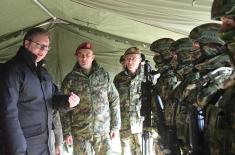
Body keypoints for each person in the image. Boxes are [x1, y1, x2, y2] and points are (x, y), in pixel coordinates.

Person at [0, 27, 80, 155]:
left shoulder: (43, 72)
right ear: (27, 43)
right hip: (25, 145)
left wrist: (67, 101)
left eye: (46, 47)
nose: (43, 50)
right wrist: (17, 150)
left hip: (45, 143)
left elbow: (52, 99)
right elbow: (7, 113)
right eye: (39, 45)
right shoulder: (13, 70)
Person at [61, 41, 121, 155]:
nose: (84, 58)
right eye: (81, 55)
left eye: (88, 55)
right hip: (80, 132)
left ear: (93, 57)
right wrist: (66, 132)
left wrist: (115, 126)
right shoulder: (70, 79)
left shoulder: (103, 75)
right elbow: (63, 108)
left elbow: (114, 100)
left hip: (102, 131)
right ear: (77, 57)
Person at [114, 47, 144, 155]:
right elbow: (113, 101)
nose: (130, 61)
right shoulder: (118, 78)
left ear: (140, 59)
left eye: (133, 58)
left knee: (142, 151)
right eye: (128, 58)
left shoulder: (146, 77)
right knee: (125, 151)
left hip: (141, 123)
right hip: (124, 123)